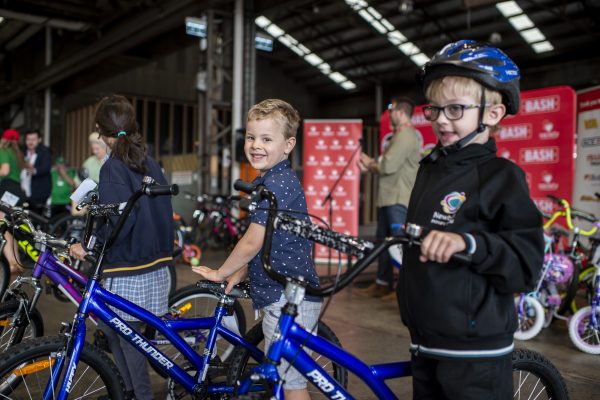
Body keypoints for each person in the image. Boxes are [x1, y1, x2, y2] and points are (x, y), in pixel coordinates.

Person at [398, 40, 543, 399]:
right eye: (435, 109)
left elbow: (527, 263)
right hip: (425, 340)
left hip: (474, 351)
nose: (441, 119)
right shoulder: (430, 169)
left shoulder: (501, 176)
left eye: (456, 109)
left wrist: (469, 243)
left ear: (492, 114)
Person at [192, 99, 322, 400]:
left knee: (292, 385)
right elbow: (271, 242)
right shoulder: (269, 179)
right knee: (282, 378)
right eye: (251, 137)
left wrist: (219, 271)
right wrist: (239, 271)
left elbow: (254, 241)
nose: (255, 145)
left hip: (290, 297)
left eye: (266, 139)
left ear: (288, 144)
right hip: (281, 293)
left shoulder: (277, 185)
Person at [69, 94, 173, 400]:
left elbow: (118, 221)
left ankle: (139, 394)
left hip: (129, 270)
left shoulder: (113, 167)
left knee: (129, 340)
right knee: (114, 330)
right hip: (158, 266)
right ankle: (128, 389)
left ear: (101, 131)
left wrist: (91, 246)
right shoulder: (149, 161)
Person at [356, 97, 420, 298]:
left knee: (398, 244)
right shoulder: (398, 136)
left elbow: (388, 166)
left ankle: (402, 287)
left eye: (391, 110)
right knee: (383, 242)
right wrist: (373, 164)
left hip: (398, 198)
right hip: (388, 197)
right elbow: (387, 164)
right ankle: (382, 283)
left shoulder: (406, 136)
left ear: (400, 112)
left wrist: (370, 164)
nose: (389, 114)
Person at [0, 128, 26, 274]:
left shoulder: (4, 151)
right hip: (16, 190)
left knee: (2, 226)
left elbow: (4, 170)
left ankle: (10, 263)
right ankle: (17, 262)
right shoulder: (17, 153)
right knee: (9, 227)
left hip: (6, 188)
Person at [22, 128, 52, 215]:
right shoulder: (22, 151)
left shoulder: (45, 151)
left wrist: (33, 170)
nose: (30, 142)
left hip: (40, 192)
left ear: (39, 140)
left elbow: (46, 167)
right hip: (24, 191)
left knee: (36, 217)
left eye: (33, 139)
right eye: (28, 139)